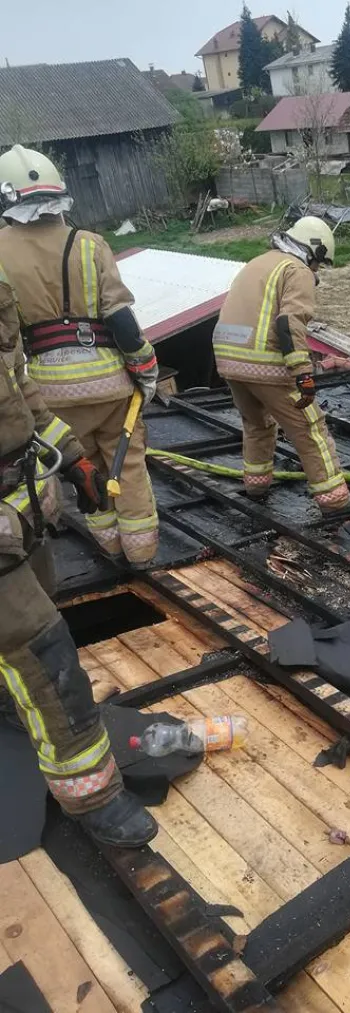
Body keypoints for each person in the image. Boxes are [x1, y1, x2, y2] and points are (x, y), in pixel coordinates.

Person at [0, 267, 157, 847]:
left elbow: (23, 394)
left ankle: (9, 706)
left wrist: (72, 457)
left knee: (29, 633)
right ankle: (93, 795)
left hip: (21, 516)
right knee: (44, 651)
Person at [0, 145, 159, 567]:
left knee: (83, 467)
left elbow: (7, 343)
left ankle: (108, 546)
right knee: (128, 464)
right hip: (109, 383)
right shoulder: (89, 244)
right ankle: (141, 553)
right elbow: (121, 320)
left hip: (48, 390)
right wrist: (145, 367)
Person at [213, 216, 350, 513]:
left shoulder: (258, 262)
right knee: (309, 428)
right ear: (313, 250)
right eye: (319, 263)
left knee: (257, 424)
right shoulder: (296, 270)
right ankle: (335, 501)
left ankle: (256, 485)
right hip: (265, 365)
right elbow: (289, 324)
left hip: (228, 361)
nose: (316, 270)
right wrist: (303, 376)